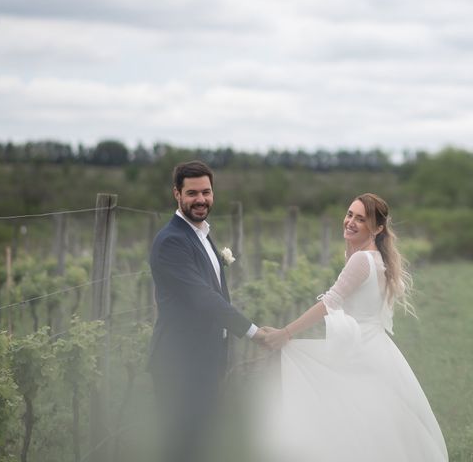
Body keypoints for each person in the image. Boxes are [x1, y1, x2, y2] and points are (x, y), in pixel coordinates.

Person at [260, 193, 448, 462]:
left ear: (378, 228)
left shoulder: (362, 260)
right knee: (369, 424)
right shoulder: (375, 258)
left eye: (361, 219)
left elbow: (330, 302)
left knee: (351, 423)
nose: (350, 221)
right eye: (350, 214)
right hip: (376, 348)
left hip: (359, 352)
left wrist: (286, 333)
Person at [147, 160, 267, 462]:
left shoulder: (200, 233)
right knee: (180, 446)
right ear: (177, 194)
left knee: (199, 443)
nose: (201, 200)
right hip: (180, 364)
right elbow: (202, 298)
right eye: (192, 193)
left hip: (206, 360)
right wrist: (253, 332)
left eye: (206, 192)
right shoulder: (171, 241)